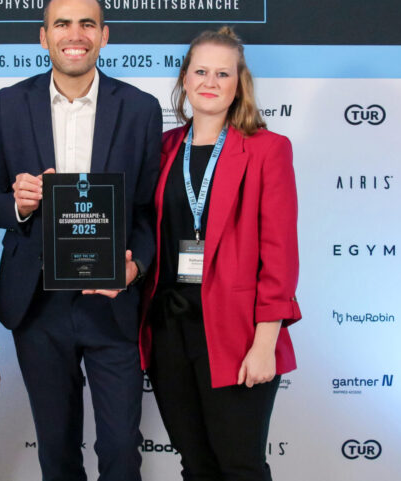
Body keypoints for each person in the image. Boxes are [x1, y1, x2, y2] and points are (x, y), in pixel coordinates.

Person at [0, 0, 162, 481]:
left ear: (104, 36)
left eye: (87, 24)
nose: (74, 35)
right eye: (62, 24)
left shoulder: (140, 108)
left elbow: (147, 211)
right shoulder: (9, 103)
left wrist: (135, 267)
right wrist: (18, 204)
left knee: (121, 450)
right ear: (44, 37)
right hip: (38, 304)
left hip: (112, 303)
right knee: (56, 451)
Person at [138, 27, 302, 481]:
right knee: (196, 466)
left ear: (238, 83)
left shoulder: (268, 150)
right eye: (201, 71)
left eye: (223, 74)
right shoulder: (163, 148)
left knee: (240, 466)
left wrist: (264, 345)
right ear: (185, 79)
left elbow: (280, 256)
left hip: (237, 333)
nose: (210, 82)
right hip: (169, 330)